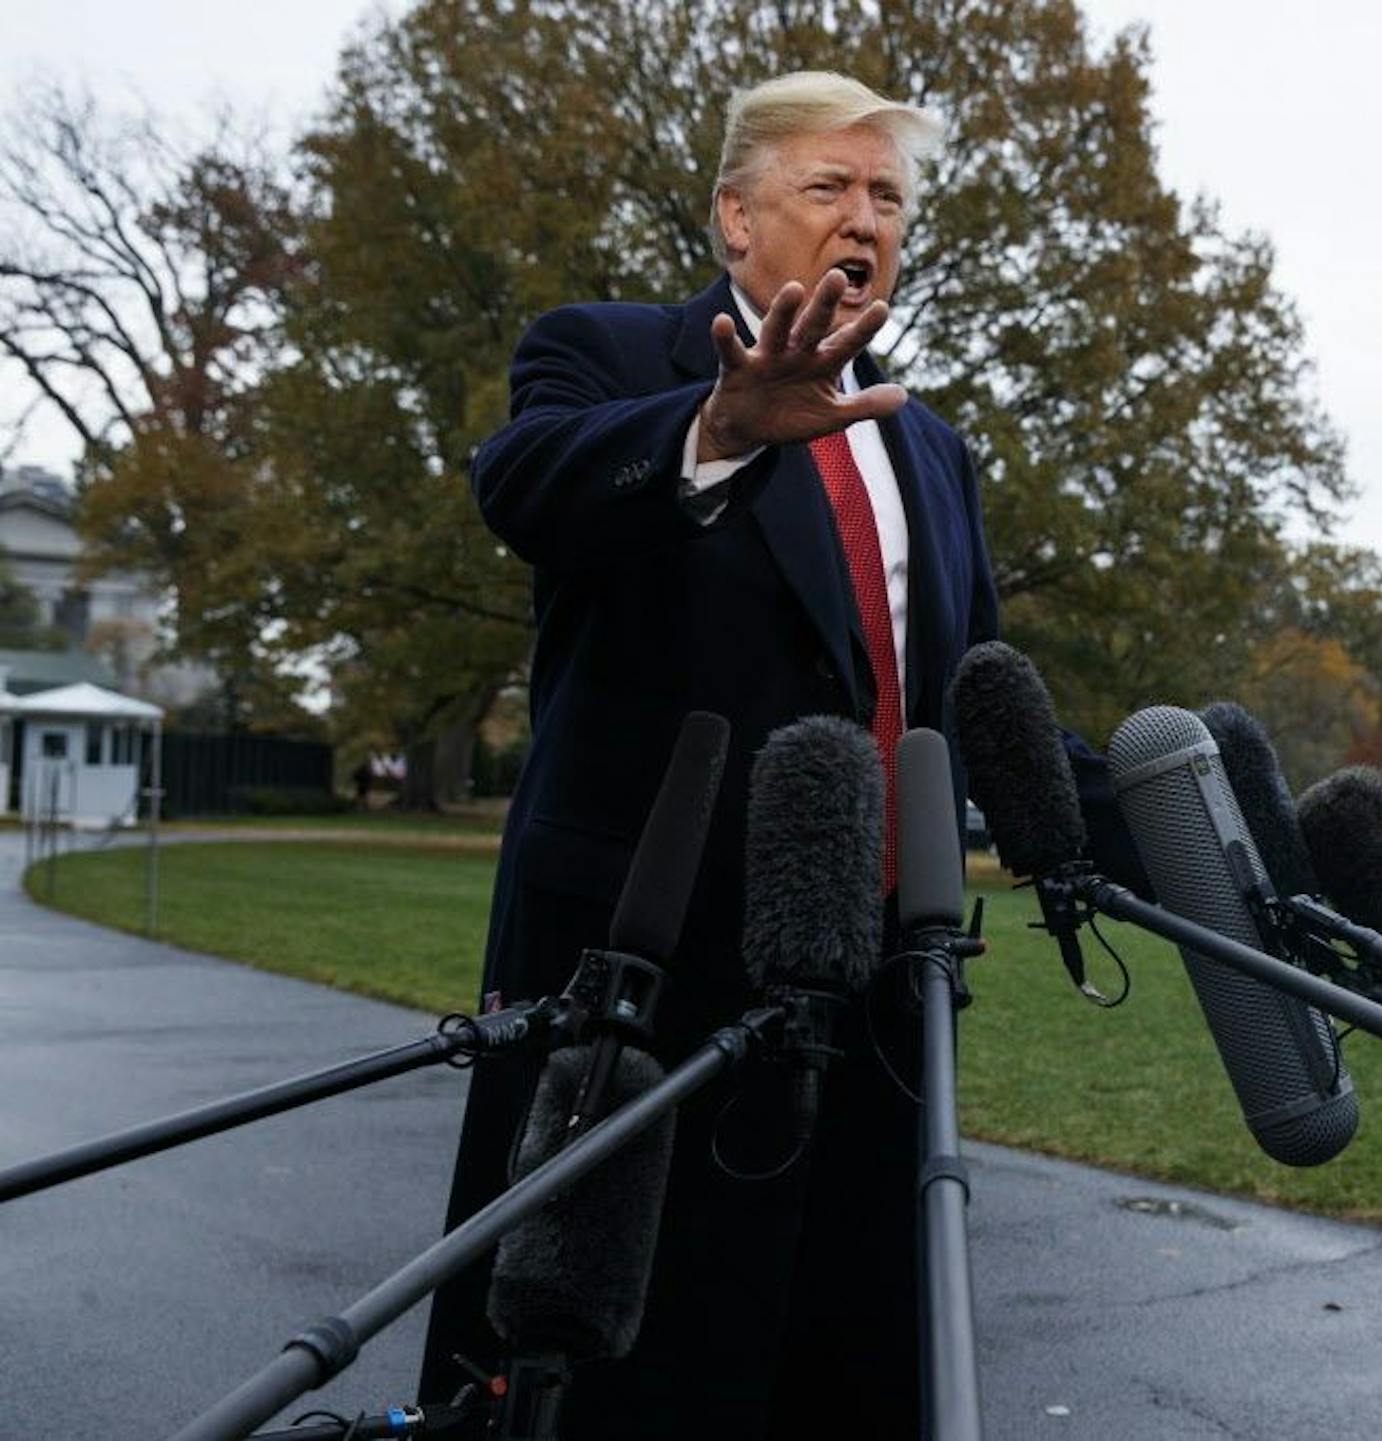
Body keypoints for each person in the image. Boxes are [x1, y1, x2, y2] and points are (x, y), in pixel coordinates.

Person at [417, 71, 1130, 1436]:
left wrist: (1172, 825)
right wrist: (723, 428)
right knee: (625, 1379)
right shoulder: (613, 357)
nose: (866, 217)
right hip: (647, 982)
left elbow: (970, 704)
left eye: (889, 198)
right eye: (829, 188)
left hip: (872, 984)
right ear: (736, 220)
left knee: (847, 1358)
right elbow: (529, 486)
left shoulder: (932, 447)